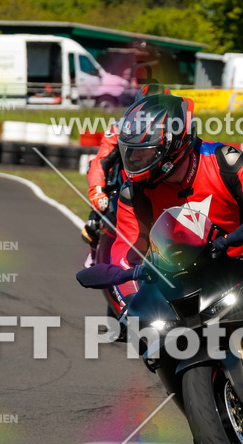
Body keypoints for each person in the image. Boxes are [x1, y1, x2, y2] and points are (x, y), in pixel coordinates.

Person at [76, 94, 243, 380]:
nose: (133, 159)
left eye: (144, 152)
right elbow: (125, 252)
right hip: (180, 274)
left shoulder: (225, 161)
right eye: (130, 152)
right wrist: (130, 300)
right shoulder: (133, 193)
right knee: (148, 331)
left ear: (173, 145)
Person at [82, 83, 171, 314]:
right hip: (123, 199)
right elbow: (99, 163)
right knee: (103, 242)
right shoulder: (120, 128)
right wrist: (97, 191)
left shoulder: (178, 131)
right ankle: (120, 306)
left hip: (165, 199)